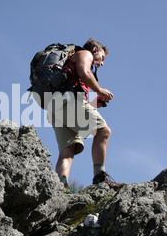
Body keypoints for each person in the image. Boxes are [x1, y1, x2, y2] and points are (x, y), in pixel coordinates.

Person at [47, 39, 124, 191]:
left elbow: (79, 108)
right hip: (69, 101)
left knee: (67, 151)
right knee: (103, 131)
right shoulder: (84, 53)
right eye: (102, 58)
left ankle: (59, 187)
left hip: (56, 107)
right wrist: (100, 90)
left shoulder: (71, 70)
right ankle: (100, 178)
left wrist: (96, 104)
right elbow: (84, 72)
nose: (102, 63)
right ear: (94, 50)